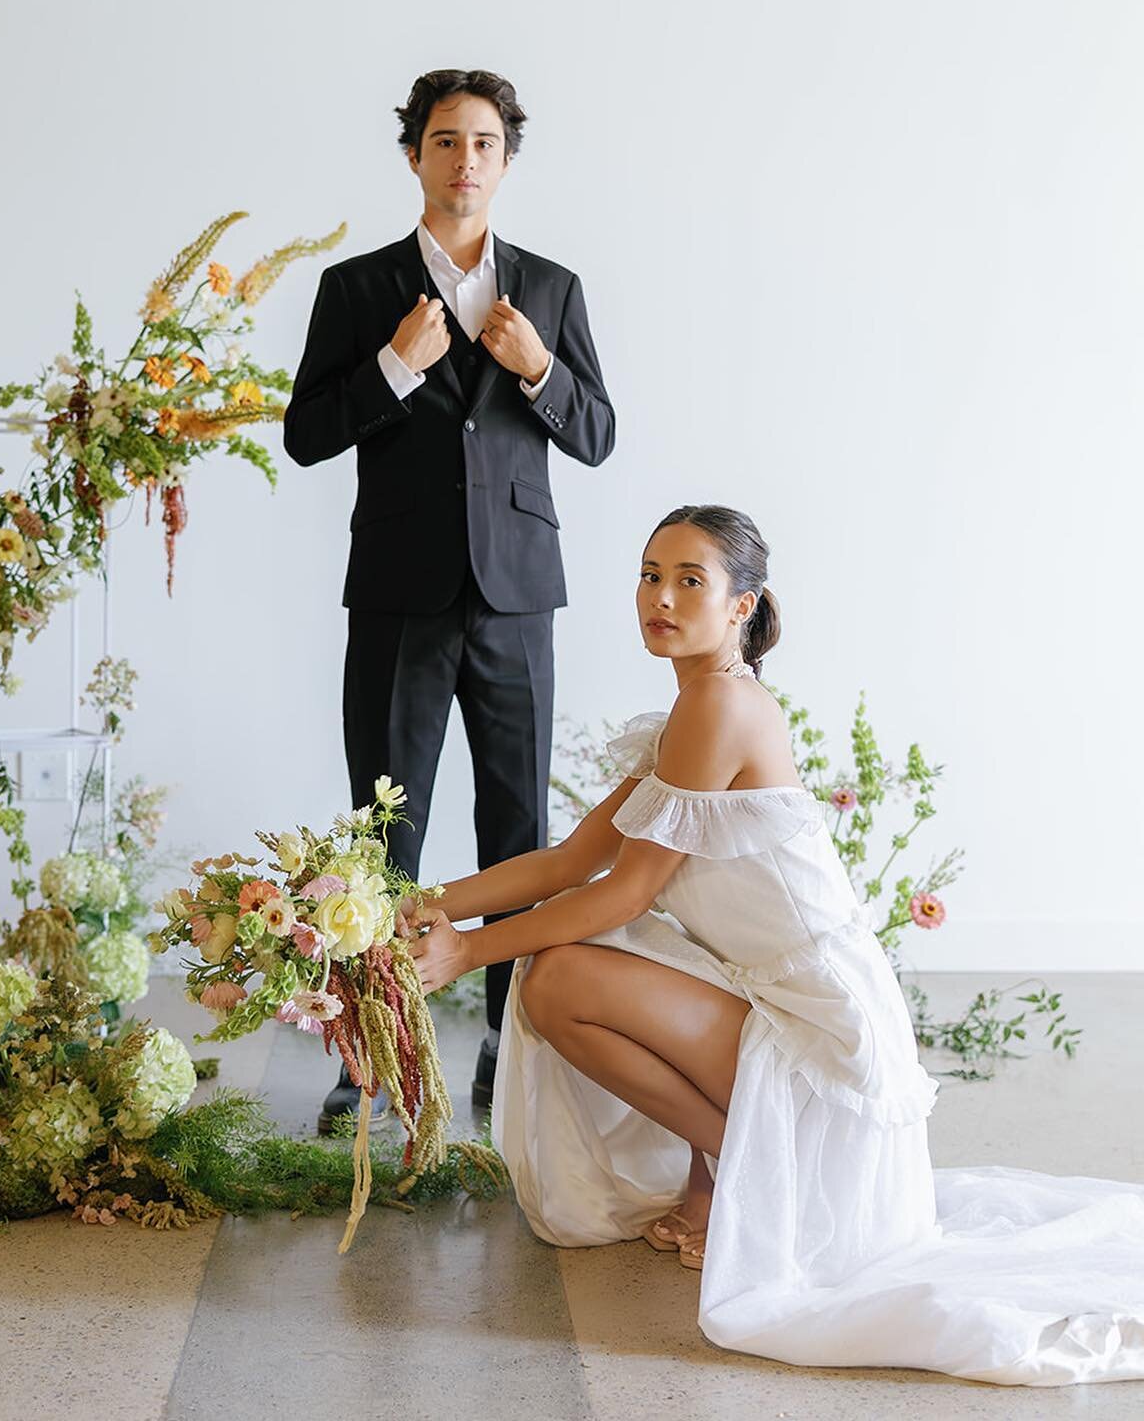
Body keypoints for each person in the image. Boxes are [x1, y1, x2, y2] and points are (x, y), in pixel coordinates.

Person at [406, 504, 1144, 1385]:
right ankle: (729, 1166)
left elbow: (626, 890)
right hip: (769, 1003)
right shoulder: (688, 711)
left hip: (822, 1038)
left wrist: (464, 953)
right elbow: (570, 860)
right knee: (570, 971)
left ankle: (766, 1180)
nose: (662, 598)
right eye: (650, 575)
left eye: (691, 581)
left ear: (743, 606)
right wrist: (406, 906)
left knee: (560, 979)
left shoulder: (720, 705)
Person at [284, 68, 615, 1130]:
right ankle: (372, 1051)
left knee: (518, 826)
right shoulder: (355, 288)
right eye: (443, 141)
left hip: (518, 596)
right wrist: (389, 365)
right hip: (397, 596)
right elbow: (304, 436)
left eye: (482, 142)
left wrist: (535, 369)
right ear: (415, 157)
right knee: (385, 834)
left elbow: (598, 434)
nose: (463, 159)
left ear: (505, 159)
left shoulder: (553, 291)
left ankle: (512, 1048)